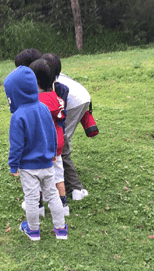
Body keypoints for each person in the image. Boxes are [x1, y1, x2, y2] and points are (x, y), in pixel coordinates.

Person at [4, 65, 68, 241]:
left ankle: (33, 231)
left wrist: (13, 164)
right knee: (52, 195)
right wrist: (54, 151)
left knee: (31, 199)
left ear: (15, 94)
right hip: (47, 164)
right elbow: (52, 132)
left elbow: (16, 145)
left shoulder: (17, 116)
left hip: (28, 168)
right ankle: (61, 229)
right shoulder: (44, 109)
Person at [42, 52, 99, 201]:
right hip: (82, 97)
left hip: (75, 103)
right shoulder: (52, 75)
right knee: (61, 141)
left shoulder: (50, 82)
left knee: (61, 144)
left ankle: (75, 189)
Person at [28, 58, 70, 216]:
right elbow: (61, 117)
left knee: (36, 177)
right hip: (56, 145)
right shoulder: (57, 99)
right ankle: (63, 206)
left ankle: (39, 208)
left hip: (39, 146)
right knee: (59, 176)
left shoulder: (34, 101)